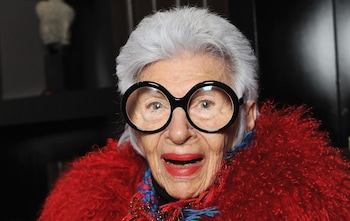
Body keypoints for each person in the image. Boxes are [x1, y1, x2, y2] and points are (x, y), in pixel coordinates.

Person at [37, 6, 350, 220]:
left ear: (249, 114)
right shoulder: (83, 207)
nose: (178, 133)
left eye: (204, 104)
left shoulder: (308, 205)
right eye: (156, 105)